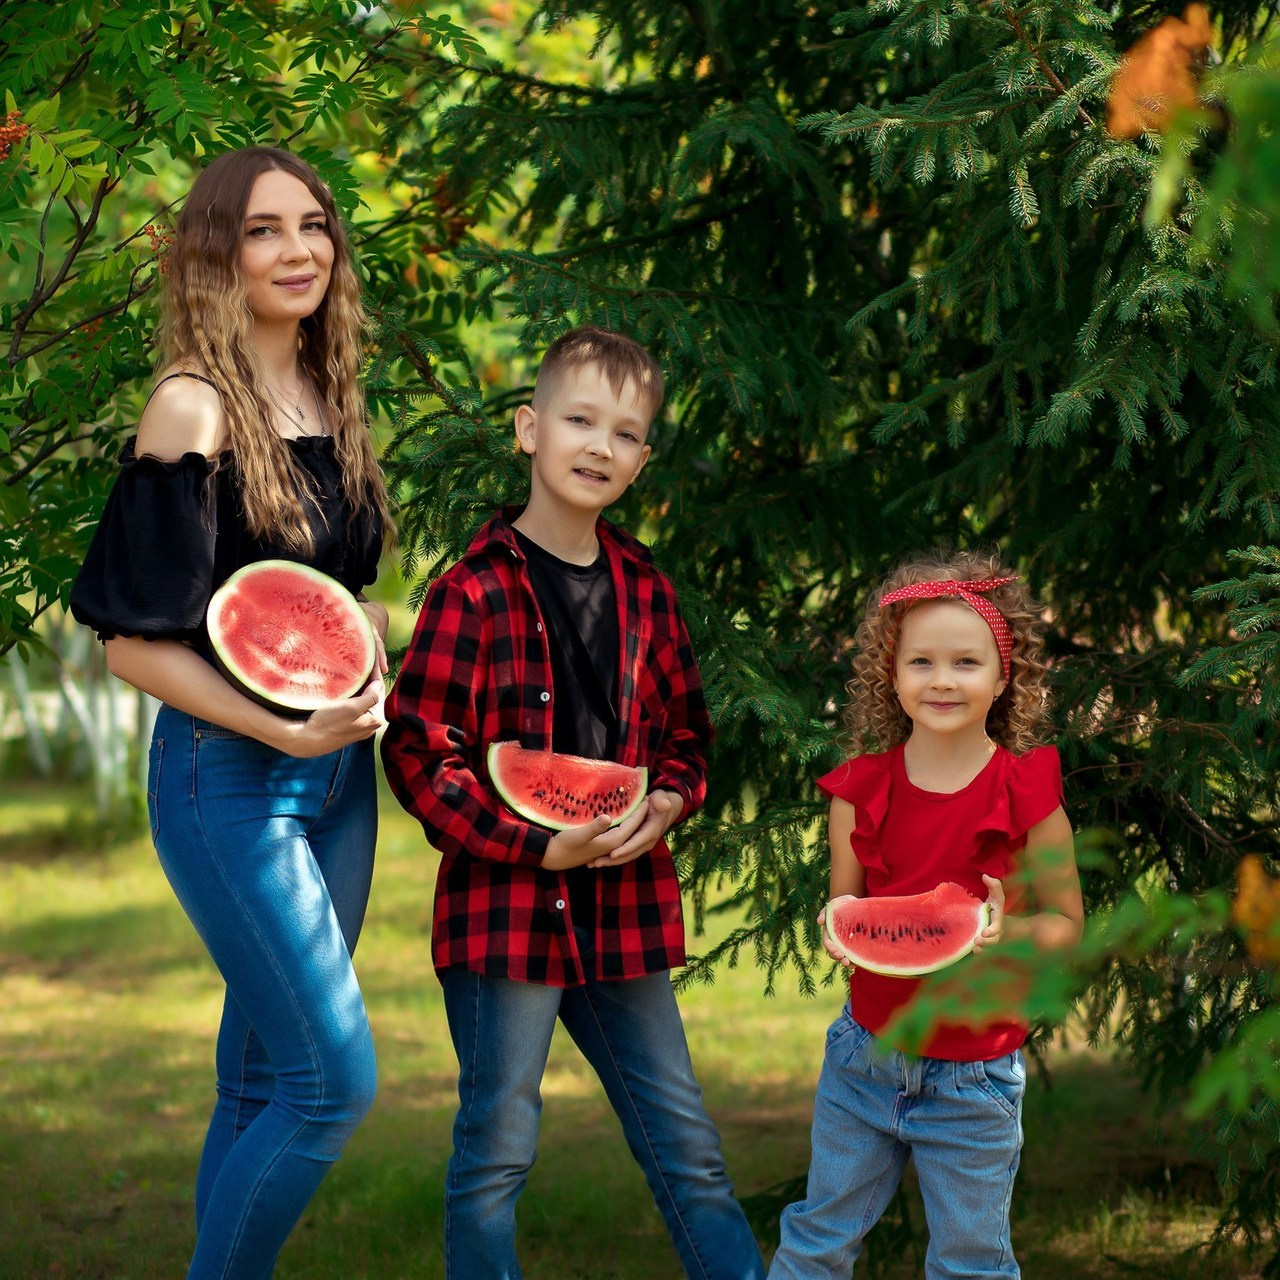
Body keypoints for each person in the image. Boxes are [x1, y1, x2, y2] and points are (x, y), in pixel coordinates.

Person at [68, 145, 393, 1280]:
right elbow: (129, 643)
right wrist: (282, 729)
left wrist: (361, 648)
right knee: (329, 1084)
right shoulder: (191, 406)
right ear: (217, 252)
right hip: (230, 772)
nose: (298, 249)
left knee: (258, 1081)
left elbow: (317, 593)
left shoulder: (326, 389)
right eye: (263, 229)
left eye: (313, 224)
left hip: (338, 773)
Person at [381, 326, 766, 1280]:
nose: (600, 446)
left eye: (626, 433)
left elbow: (687, 736)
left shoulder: (647, 589)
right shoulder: (469, 591)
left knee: (690, 1152)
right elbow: (422, 753)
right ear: (529, 428)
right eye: (580, 420)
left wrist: (669, 804)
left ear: (641, 461)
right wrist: (528, 842)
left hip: (624, 915)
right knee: (496, 1156)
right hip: (505, 913)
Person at [768, 551, 1084, 1280]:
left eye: (966, 663)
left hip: (975, 1073)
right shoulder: (857, 790)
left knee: (970, 1261)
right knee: (817, 1241)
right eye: (922, 662)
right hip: (863, 1057)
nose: (942, 680)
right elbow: (847, 909)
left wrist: (1010, 931)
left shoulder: (1029, 795)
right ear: (892, 673)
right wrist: (838, 931)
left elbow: (1066, 924)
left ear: (1005, 679)